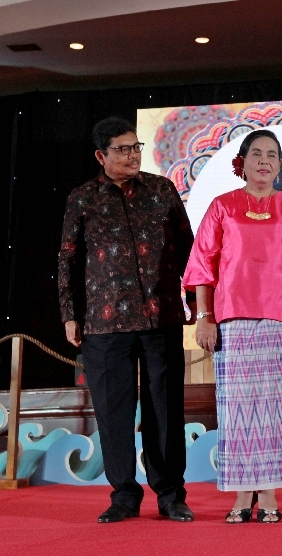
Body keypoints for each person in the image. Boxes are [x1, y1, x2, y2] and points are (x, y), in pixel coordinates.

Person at [183, 129, 282, 523]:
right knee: (237, 411)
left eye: (273, 156)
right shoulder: (222, 206)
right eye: (257, 154)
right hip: (232, 320)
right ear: (242, 162)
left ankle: (270, 492)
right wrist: (204, 317)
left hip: (280, 319)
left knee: (276, 410)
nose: (265, 161)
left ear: (279, 165)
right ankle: (242, 495)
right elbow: (202, 266)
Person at [58, 116, 195, 523]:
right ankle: (123, 494)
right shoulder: (82, 198)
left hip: (162, 317)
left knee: (165, 410)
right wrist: (69, 314)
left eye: (136, 147)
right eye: (123, 149)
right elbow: (67, 258)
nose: (133, 155)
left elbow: (189, 250)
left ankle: (171, 494)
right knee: (114, 409)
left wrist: (196, 301)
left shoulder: (162, 189)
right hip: (103, 322)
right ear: (101, 155)